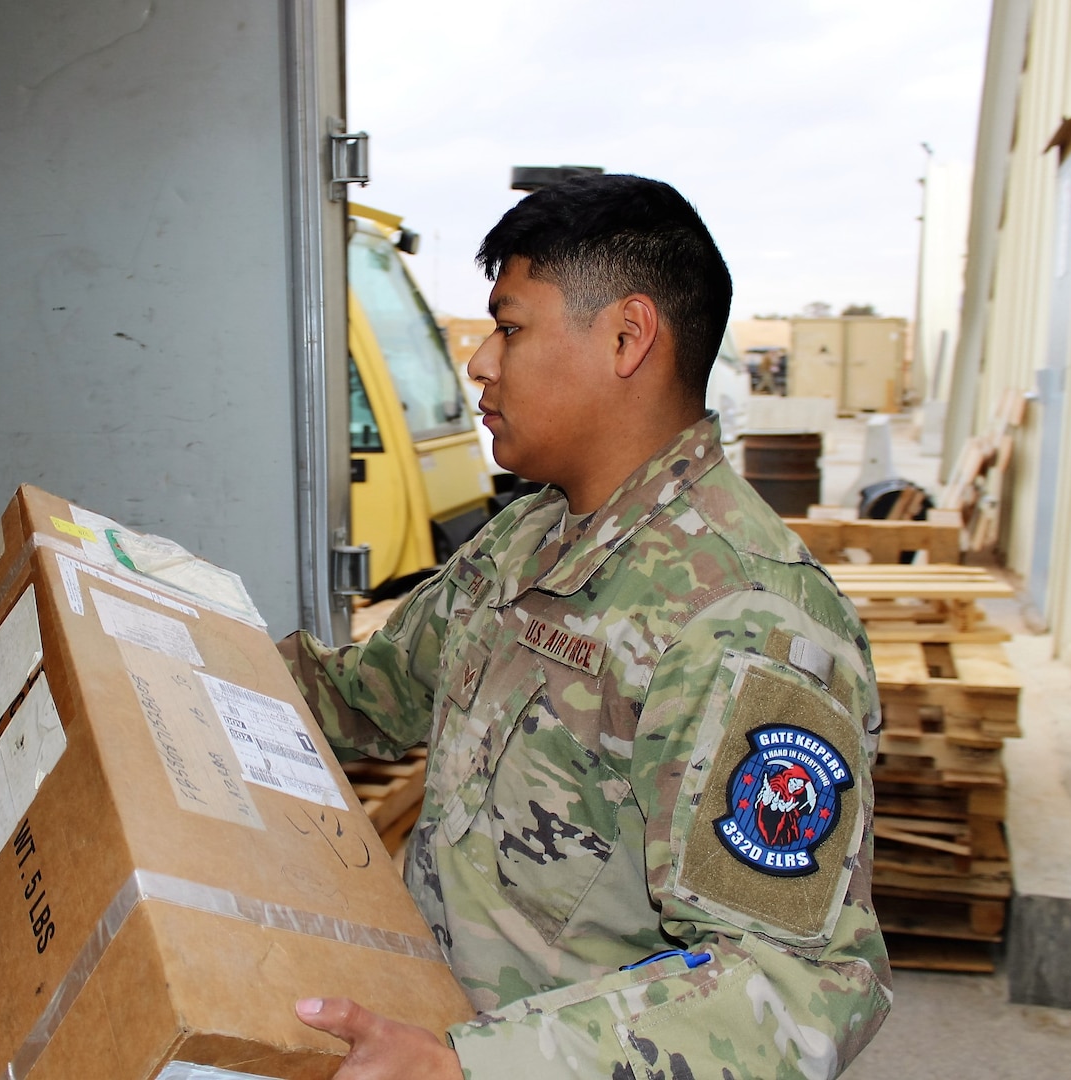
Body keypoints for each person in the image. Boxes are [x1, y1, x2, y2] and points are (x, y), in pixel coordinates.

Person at [280, 174, 890, 1079]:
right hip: (435, 1024)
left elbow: (791, 987)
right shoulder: (527, 538)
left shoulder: (744, 619)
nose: (481, 361)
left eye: (511, 326)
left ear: (625, 336)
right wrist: (169, 647)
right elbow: (363, 700)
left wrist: (471, 1069)